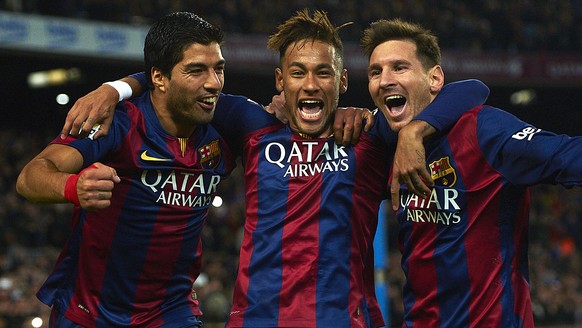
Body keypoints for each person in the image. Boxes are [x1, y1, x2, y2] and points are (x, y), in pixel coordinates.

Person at [59, 10, 489, 327]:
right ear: (281, 82)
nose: (311, 84)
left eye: (324, 73)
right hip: (256, 319)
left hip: (345, 319)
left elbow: (472, 90)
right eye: (298, 73)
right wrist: (119, 87)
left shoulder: (369, 135)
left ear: (341, 83)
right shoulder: (250, 123)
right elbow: (177, 83)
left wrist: (414, 133)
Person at [16, 12, 233, 327]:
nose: (213, 83)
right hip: (90, 311)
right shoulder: (117, 122)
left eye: (219, 69)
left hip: (170, 313)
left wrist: (334, 114)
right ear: (158, 77)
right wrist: (73, 187)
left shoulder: (229, 123)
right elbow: (29, 177)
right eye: (197, 70)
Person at [361, 18, 582, 327]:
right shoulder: (383, 140)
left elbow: (567, 155)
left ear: (435, 78)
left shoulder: (485, 130)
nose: (384, 80)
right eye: (375, 71)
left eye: (400, 68)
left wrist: (414, 131)